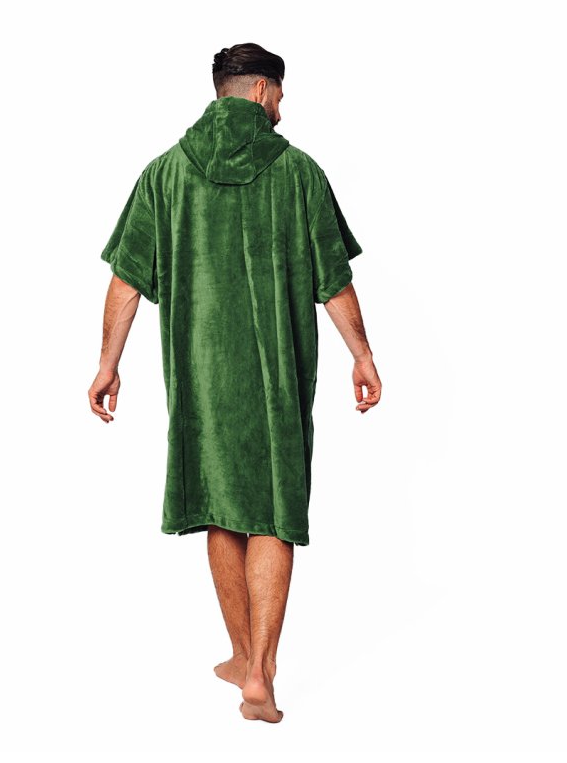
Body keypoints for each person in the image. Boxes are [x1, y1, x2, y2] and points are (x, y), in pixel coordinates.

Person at [88, 43, 381, 723]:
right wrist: (362, 355)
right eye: (279, 94)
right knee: (272, 509)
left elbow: (126, 280)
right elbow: (333, 280)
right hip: (277, 380)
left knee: (221, 508)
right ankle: (259, 673)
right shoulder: (299, 173)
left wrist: (108, 364)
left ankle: (245, 657)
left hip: (201, 382)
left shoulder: (165, 174)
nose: (282, 107)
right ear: (258, 92)